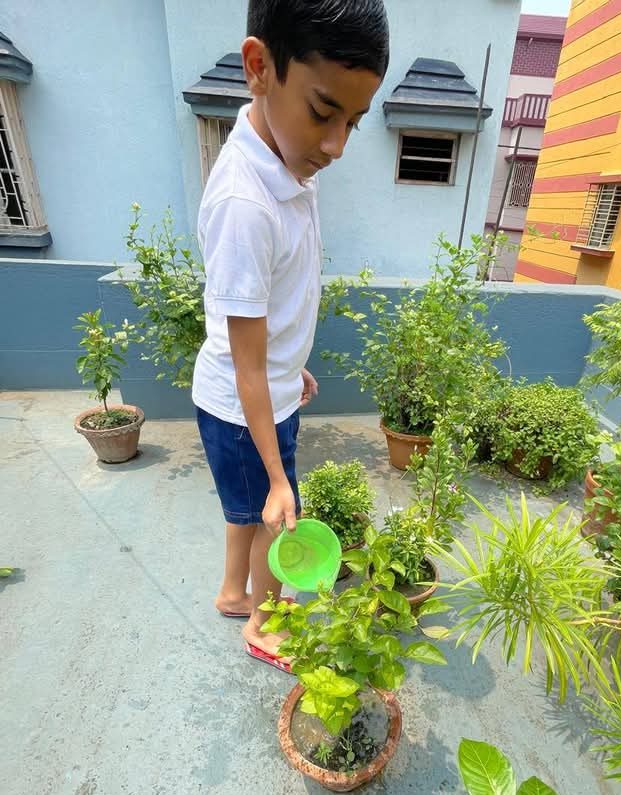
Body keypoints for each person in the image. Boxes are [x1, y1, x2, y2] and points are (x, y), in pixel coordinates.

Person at [192, 0, 390, 672]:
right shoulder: (247, 203)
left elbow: (267, 317)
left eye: (353, 123)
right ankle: (265, 620)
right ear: (259, 67)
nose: (336, 145)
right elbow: (248, 369)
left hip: (249, 393)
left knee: (246, 508)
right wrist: (282, 474)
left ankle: (229, 591)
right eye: (323, 111)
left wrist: (290, 366)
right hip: (245, 404)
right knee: (277, 512)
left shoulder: (284, 161)